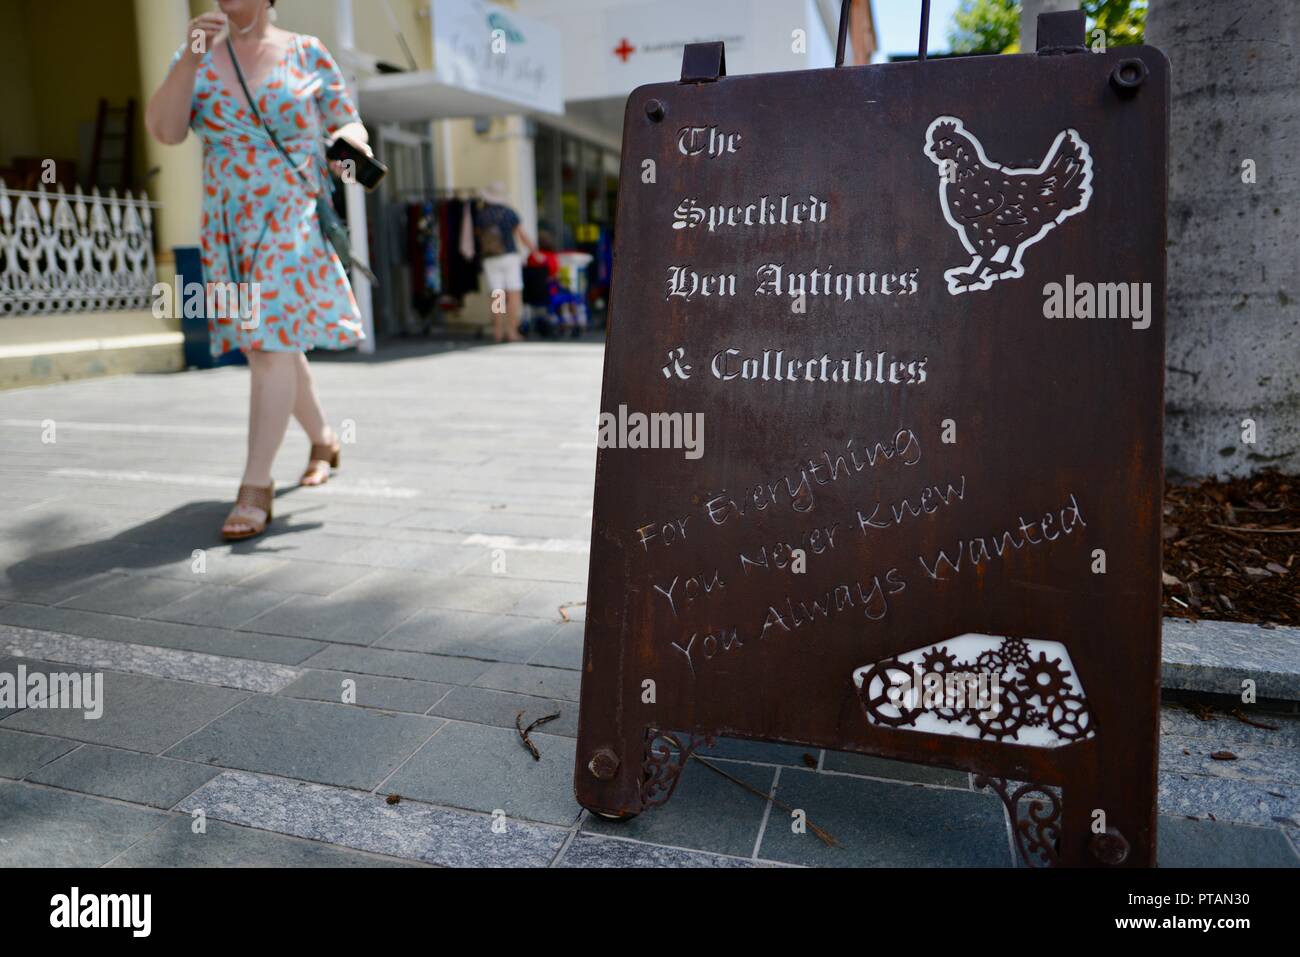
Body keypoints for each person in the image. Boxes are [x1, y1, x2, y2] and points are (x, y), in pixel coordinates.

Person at [145, 0, 371, 540]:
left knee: (269, 340)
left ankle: (254, 486)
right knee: (273, 343)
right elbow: (166, 130)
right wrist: (188, 60)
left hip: (291, 211)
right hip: (229, 223)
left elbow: (347, 119)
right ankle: (324, 439)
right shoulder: (197, 55)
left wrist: (352, 147)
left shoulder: (306, 52)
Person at [473, 183, 536, 343]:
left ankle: (497, 332)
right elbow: (521, 235)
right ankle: (512, 332)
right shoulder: (509, 213)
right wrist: (535, 251)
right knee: (514, 295)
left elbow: (478, 237)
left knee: (497, 296)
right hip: (509, 257)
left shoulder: (481, 215)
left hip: (490, 259)